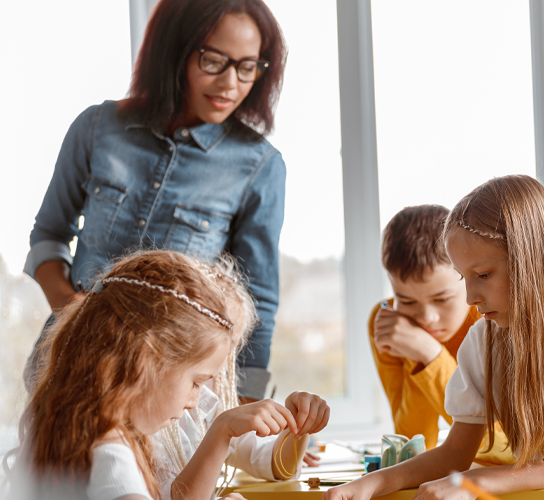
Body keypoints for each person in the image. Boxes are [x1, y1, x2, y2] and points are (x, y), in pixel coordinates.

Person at [24, 0, 287, 401]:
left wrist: (244, 410)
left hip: (166, 391)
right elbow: (48, 235)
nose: (231, 83)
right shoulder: (98, 128)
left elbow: (257, 302)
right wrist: (71, 310)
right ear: (175, 51)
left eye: (248, 66)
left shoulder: (259, 166)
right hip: (64, 367)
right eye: (214, 61)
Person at [324, 175, 544, 500]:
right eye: (463, 277)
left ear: (531, 260)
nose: (470, 297)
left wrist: (476, 482)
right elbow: (454, 454)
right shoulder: (484, 338)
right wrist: (370, 484)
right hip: (536, 490)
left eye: (483, 275)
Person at [10, 251, 327, 500]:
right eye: (196, 382)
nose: (196, 400)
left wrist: (297, 426)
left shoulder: (88, 428)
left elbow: (270, 463)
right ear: (146, 362)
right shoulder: (108, 450)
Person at [152, 254, 329, 499]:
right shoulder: (152, 417)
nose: (222, 363)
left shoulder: (206, 401)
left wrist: (298, 424)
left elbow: (275, 466)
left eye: (232, 346)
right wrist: (222, 428)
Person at [369, 205, 513, 464]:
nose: (426, 317)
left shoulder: (492, 316)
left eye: (442, 298)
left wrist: (430, 354)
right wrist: (417, 355)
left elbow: (503, 445)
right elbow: (413, 443)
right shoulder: (388, 323)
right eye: (407, 301)